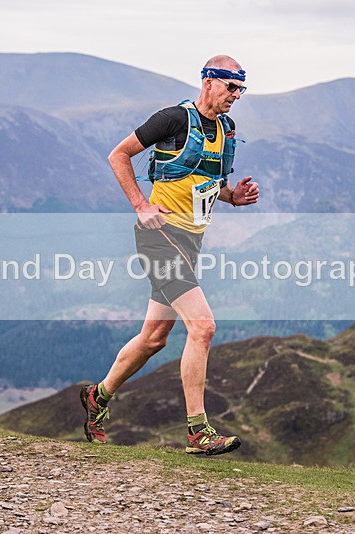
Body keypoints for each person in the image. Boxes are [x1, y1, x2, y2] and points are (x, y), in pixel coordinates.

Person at [80, 54, 259, 455]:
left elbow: (209, 183)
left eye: (241, 89)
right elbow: (118, 155)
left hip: (189, 243)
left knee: (154, 338)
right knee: (203, 327)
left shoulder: (226, 129)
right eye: (231, 86)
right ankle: (198, 431)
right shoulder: (173, 119)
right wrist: (141, 206)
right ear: (209, 80)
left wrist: (234, 197)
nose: (236, 95)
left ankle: (98, 398)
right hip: (159, 238)